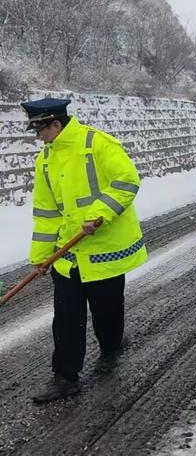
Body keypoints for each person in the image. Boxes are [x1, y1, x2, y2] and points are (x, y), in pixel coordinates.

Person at [21, 98, 147, 403]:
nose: (38, 136)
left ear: (55, 124)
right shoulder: (46, 160)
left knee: (107, 311)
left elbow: (127, 181)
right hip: (68, 255)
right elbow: (46, 212)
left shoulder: (97, 143)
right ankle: (65, 377)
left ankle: (111, 348)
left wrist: (100, 212)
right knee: (66, 317)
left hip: (104, 249)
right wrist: (40, 257)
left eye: (40, 129)